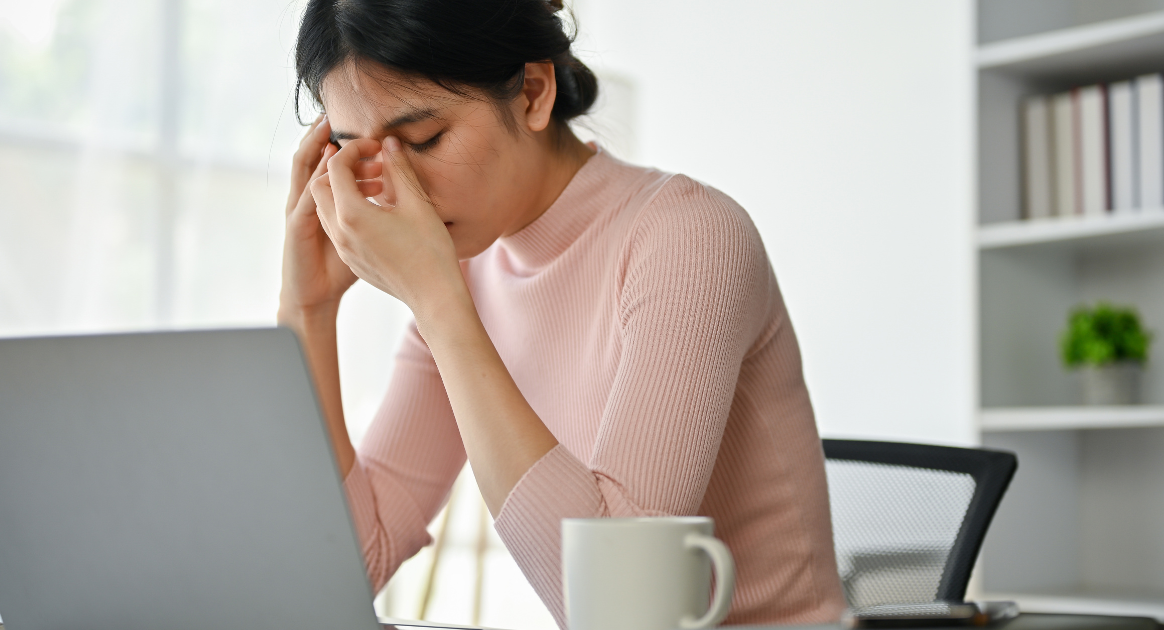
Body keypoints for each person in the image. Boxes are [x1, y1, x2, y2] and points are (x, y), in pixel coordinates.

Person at [277, 0, 846, 625]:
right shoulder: (463, 269)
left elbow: (624, 611)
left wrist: (438, 301)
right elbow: (352, 559)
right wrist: (309, 311)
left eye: (423, 139)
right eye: (356, 150)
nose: (394, 192)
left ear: (533, 93)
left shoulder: (690, 238)